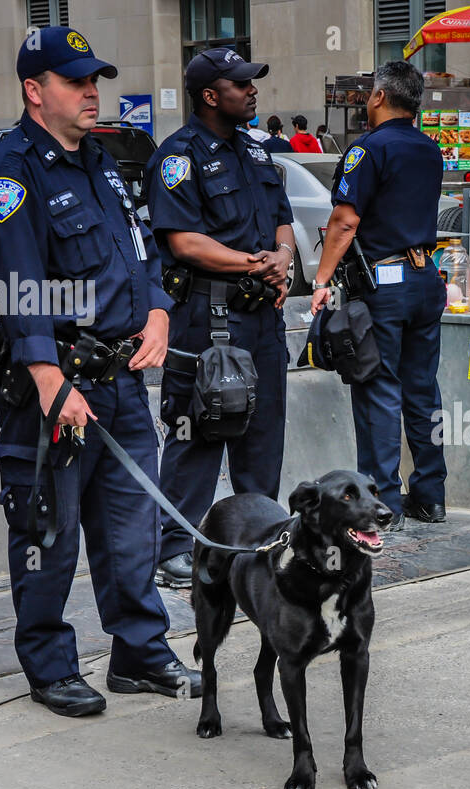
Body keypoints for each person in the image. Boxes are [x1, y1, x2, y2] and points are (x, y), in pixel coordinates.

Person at [0, 25, 200, 716]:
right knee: (48, 533)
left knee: (131, 530)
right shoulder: (11, 173)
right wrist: (47, 379)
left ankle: (139, 652)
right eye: (75, 81)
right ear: (35, 92)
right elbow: (16, 286)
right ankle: (50, 664)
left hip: (121, 380)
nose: (91, 91)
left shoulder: (101, 163)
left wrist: (158, 310)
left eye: (94, 79)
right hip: (56, 384)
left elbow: (142, 254)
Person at [145, 47, 295, 588]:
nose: (253, 91)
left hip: (263, 321)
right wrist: (255, 263)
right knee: (198, 431)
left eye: (253, 83)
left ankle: (260, 541)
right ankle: (174, 549)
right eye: (241, 85)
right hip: (208, 319)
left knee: (262, 433)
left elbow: (282, 219)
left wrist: (282, 257)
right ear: (211, 95)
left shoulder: (257, 154)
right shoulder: (177, 157)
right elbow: (183, 242)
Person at [309, 60, 446, 532]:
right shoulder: (431, 149)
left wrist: (322, 279)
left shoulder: (368, 150)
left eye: (370, 92)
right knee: (423, 391)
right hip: (428, 279)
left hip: (385, 284)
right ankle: (431, 497)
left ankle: (382, 505)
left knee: (378, 390)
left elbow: (345, 222)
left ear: (380, 97)